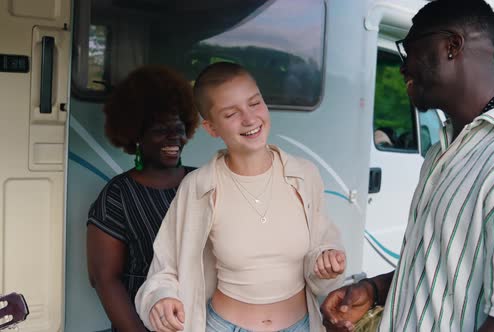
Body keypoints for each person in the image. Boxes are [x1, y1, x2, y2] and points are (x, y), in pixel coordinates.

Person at [321, 0, 494, 331]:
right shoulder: (444, 150)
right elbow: (442, 267)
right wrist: (375, 290)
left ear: (452, 46)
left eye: (408, 49)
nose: (403, 66)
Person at [135, 62, 347, 332]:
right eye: (231, 113)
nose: (249, 119)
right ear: (211, 128)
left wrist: (326, 264)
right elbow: (165, 268)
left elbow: (322, 251)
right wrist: (161, 298)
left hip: (301, 326)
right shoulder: (199, 186)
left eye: (255, 103)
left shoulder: (304, 176)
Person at [87, 65, 199, 331]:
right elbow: (104, 278)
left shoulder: (202, 183)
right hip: (146, 320)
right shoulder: (118, 196)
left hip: (203, 318)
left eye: (179, 127)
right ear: (137, 135)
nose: (174, 137)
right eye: (161, 129)